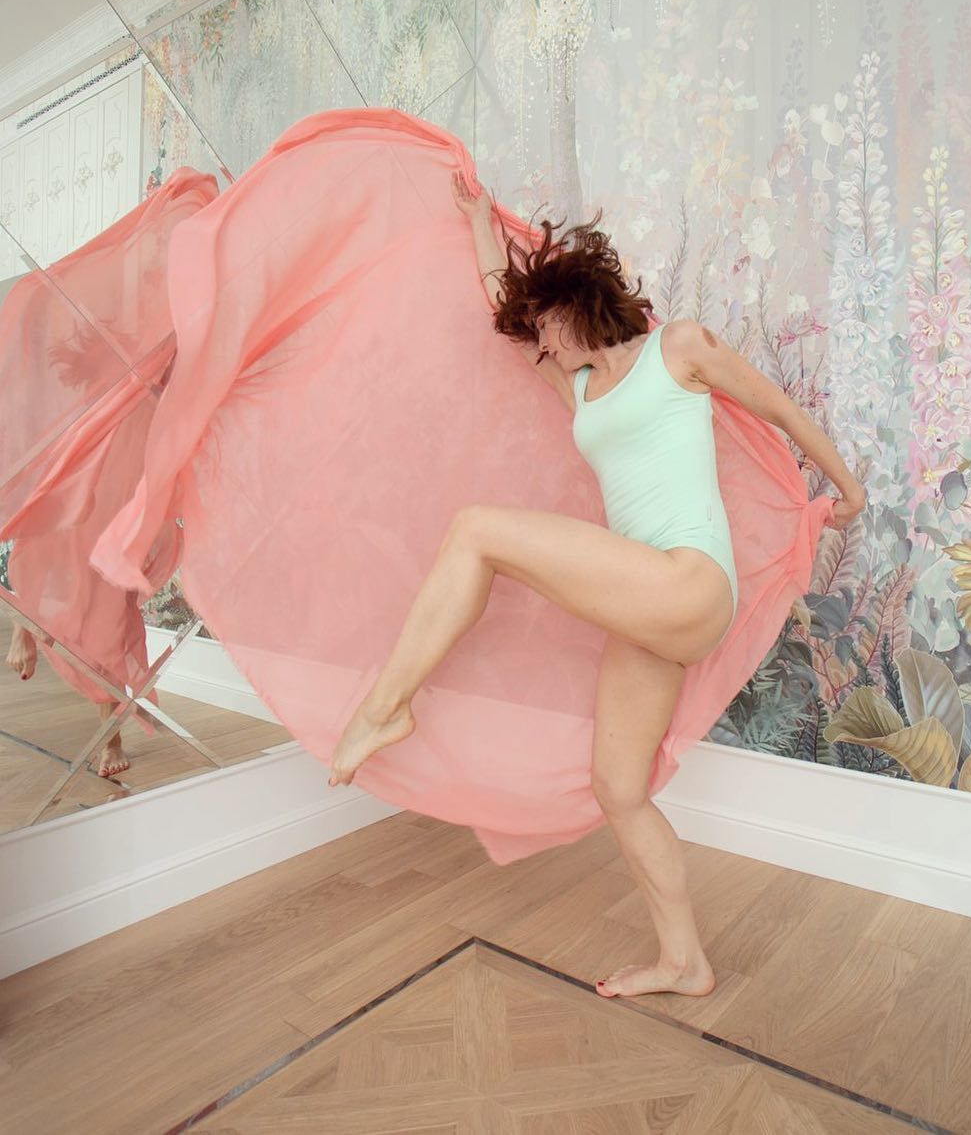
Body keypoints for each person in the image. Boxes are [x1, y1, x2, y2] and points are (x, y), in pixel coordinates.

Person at [327, 170, 865, 999]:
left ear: (575, 303)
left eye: (546, 329)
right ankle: (684, 961)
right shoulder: (574, 383)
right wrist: (479, 224)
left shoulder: (677, 348)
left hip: (688, 580)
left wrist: (847, 492)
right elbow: (503, 304)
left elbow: (781, 412)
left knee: (476, 530)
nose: (542, 349)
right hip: (648, 599)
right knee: (619, 787)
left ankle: (384, 706)